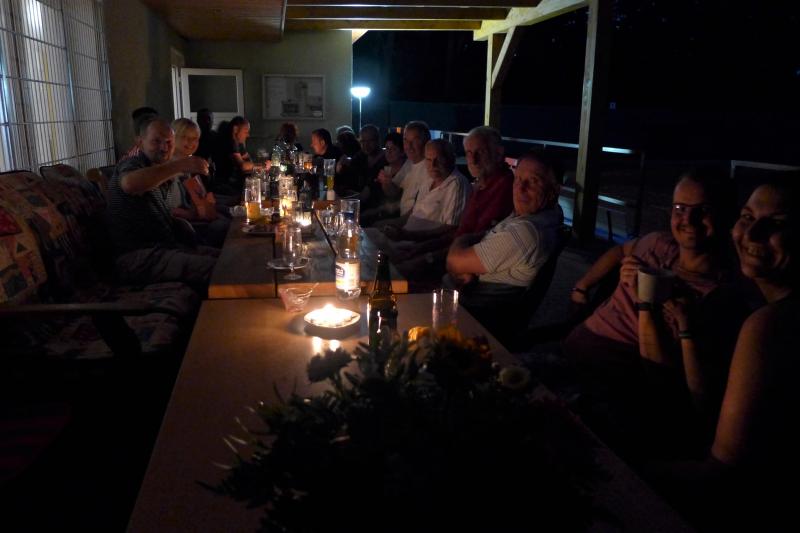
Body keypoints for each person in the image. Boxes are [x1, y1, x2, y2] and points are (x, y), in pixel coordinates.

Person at [646, 179, 798, 530]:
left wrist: (627, 467)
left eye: (778, 223)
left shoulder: (770, 324)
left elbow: (721, 475)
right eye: (748, 217)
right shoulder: (750, 303)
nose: (753, 233)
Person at [445, 149, 563, 327]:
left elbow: (453, 262)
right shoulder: (545, 215)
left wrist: (462, 241)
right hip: (465, 298)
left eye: (533, 181)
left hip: (467, 315)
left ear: (553, 191)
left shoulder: (525, 233)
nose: (520, 188)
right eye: (518, 179)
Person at [390, 126, 515, 281]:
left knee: (392, 274)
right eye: (469, 153)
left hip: (460, 269)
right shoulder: (481, 186)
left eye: (480, 152)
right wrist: (421, 248)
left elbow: (475, 243)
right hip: (440, 253)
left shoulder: (504, 188)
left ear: (499, 153)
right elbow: (457, 234)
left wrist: (428, 256)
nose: (473, 159)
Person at [107, 115, 218, 286]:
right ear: (140, 142)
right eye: (156, 141)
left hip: (164, 248)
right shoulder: (132, 163)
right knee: (219, 269)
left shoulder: (159, 171)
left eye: (169, 142)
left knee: (228, 257)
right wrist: (181, 165)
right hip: (137, 256)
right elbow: (129, 184)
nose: (164, 148)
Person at [365, 139, 470, 260]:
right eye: (429, 160)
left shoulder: (456, 184)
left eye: (439, 160)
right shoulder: (428, 180)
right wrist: (390, 226)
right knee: (362, 235)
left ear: (452, 159)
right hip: (402, 238)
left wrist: (407, 235)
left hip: (417, 246)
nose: (433, 165)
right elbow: (412, 214)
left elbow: (451, 230)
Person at [166, 118, 230, 247]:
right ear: (173, 138)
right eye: (185, 137)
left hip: (197, 217)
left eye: (195, 138)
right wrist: (193, 214)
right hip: (182, 228)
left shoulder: (190, 163)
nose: (191, 142)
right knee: (227, 227)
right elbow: (169, 209)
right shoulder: (168, 167)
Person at [369, 121, 431, 227]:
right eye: (406, 140)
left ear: (426, 142)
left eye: (415, 141)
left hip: (412, 227)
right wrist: (386, 182)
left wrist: (387, 223)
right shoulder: (409, 163)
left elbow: (417, 213)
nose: (409, 146)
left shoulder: (430, 168)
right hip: (402, 222)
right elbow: (393, 193)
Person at [213, 116, 253, 191]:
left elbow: (249, 161)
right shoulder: (230, 143)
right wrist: (262, 165)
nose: (248, 135)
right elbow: (243, 166)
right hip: (225, 186)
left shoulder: (239, 143)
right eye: (245, 132)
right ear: (235, 129)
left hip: (235, 184)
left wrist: (253, 165)